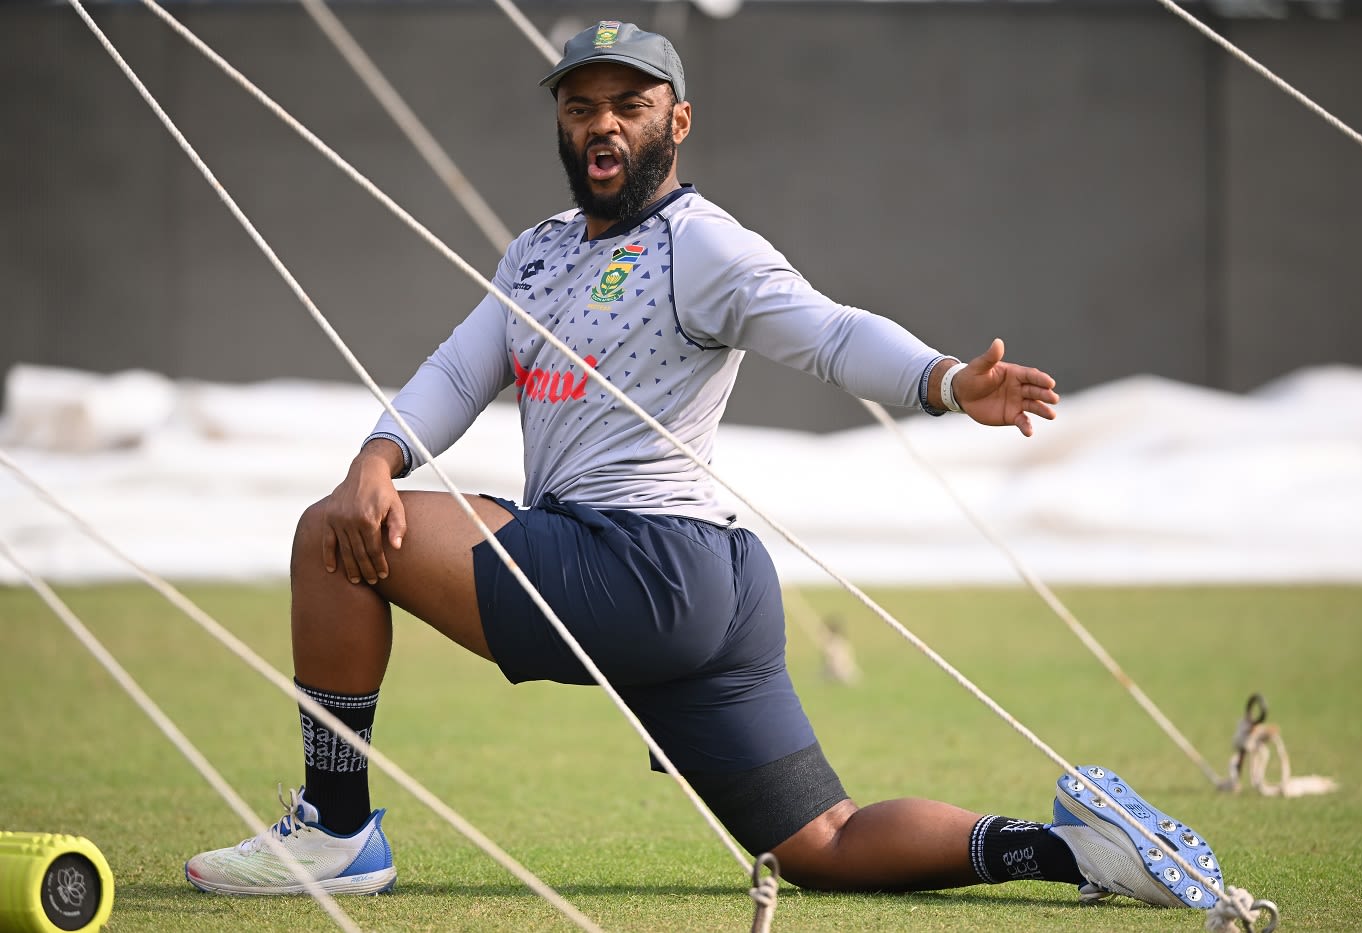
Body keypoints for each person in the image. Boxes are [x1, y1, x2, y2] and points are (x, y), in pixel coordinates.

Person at [184, 20, 1223, 911]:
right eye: (580, 105)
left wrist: (946, 382)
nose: (601, 123)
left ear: (675, 122)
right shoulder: (536, 252)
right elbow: (458, 372)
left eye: (628, 103)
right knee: (819, 846)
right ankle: (1073, 851)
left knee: (334, 535)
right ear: (560, 123)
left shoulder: (703, 245)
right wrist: (379, 451)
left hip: (642, 564)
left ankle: (333, 831)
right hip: (716, 592)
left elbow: (827, 331)